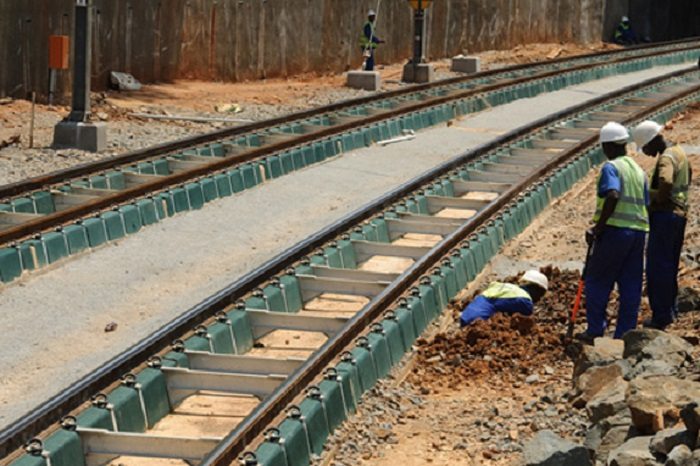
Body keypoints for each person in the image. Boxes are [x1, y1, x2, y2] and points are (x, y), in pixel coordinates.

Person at [577, 122, 649, 343]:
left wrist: (598, 227)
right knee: (630, 284)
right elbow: (646, 202)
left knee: (597, 280)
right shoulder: (639, 171)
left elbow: (613, 194)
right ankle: (625, 334)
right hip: (638, 233)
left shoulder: (612, 167)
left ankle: (595, 331)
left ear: (607, 146)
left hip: (614, 232)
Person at [632, 120, 692, 329]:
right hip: (679, 215)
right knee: (670, 265)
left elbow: (665, 182)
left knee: (657, 267)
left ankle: (661, 316)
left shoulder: (666, 158)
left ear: (653, 140)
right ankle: (671, 310)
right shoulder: (679, 152)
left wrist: (652, 196)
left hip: (665, 216)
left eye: (646, 147)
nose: (647, 152)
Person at [459, 270, 549, 327]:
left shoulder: (506, 287)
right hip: (477, 323)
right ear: (535, 289)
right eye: (540, 294)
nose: (539, 298)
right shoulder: (525, 300)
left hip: (465, 317)